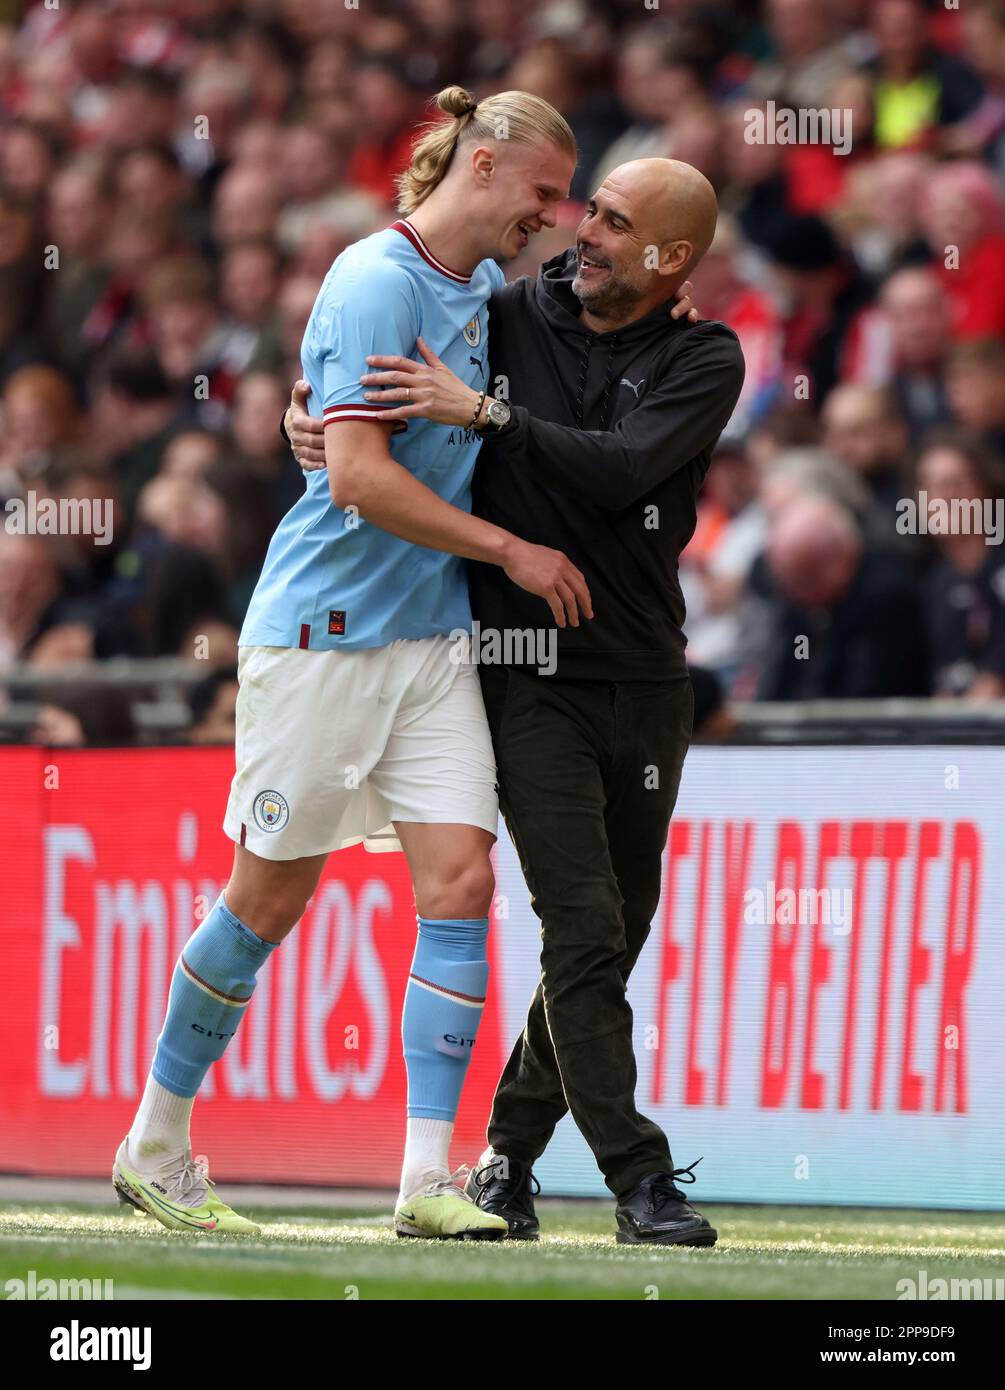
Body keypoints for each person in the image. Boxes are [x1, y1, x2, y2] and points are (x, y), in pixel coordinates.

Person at [113, 86, 591, 1241]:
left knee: (463, 881)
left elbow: (344, 422)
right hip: (324, 632)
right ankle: (154, 1144)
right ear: (481, 166)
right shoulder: (376, 278)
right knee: (269, 895)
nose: (554, 216)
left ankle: (427, 1180)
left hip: (427, 641)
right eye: (542, 193)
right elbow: (361, 478)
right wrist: (511, 549)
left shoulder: (476, 287)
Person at [288, 156, 744, 1245]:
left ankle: (506, 1162)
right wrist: (306, 418)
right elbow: (359, 382)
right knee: (583, 928)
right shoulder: (501, 313)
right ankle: (640, 1181)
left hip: (645, 678)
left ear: (670, 260)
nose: (583, 231)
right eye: (587, 209)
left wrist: (487, 415)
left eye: (615, 221)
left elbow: (625, 465)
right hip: (524, 671)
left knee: (612, 937)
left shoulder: (703, 354)